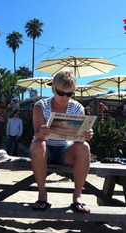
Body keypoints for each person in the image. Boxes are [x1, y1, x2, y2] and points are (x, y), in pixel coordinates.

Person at [30, 70, 93, 213]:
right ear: (53, 89)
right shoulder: (41, 106)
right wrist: (43, 133)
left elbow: (79, 141)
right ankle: (42, 194)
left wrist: (86, 134)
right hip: (44, 150)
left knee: (85, 147)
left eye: (69, 94)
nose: (65, 97)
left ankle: (77, 196)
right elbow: (36, 134)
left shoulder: (77, 108)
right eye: (61, 93)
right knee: (37, 145)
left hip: (65, 150)